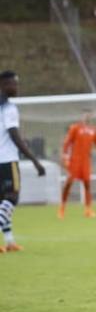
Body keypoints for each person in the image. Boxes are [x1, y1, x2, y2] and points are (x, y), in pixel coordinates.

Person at [0, 70, 48, 252]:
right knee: (12, 197)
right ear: (3, 85)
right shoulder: (9, 108)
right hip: (7, 160)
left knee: (2, 201)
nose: (16, 87)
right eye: (13, 84)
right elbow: (14, 136)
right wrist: (35, 160)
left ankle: (9, 241)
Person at [58, 109, 96, 218]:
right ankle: (62, 208)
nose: (87, 117)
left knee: (87, 185)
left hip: (86, 161)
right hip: (75, 160)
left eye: (89, 115)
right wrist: (65, 157)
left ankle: (88, 210)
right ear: (81, 116)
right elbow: (67, 143)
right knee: (69, 183)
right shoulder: (75, 128)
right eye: (85, 115)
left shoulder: (93, 130)